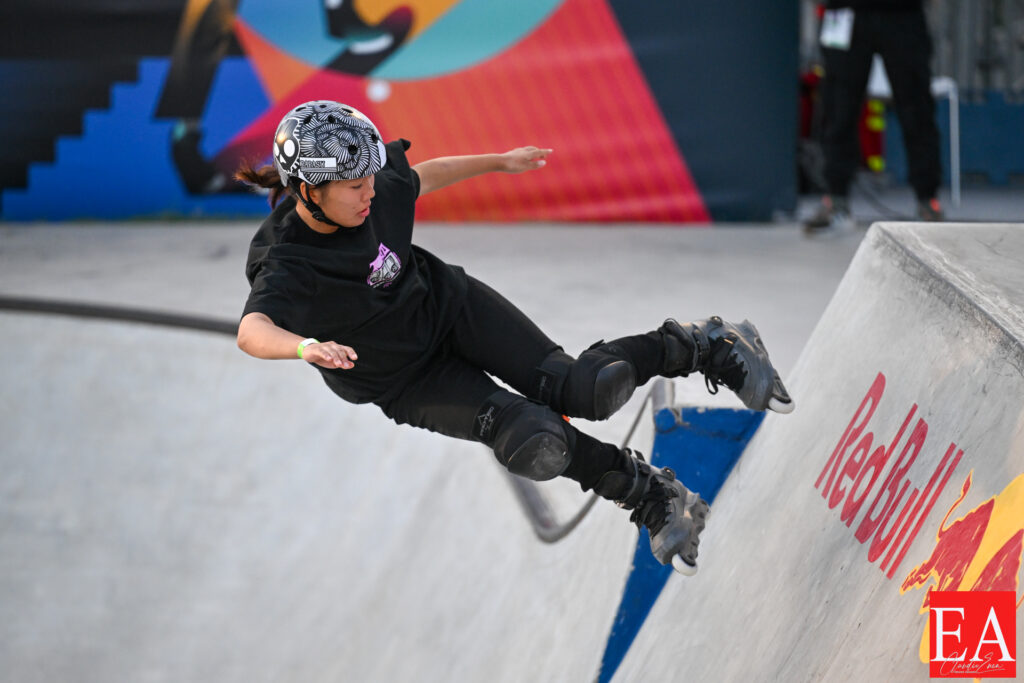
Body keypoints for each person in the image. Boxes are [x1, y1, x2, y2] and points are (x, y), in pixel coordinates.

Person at [235, 100, 794, 574]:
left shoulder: (372, 186)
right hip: (406, 381)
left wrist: (500, 163)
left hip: (452, 309)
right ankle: (652, 493)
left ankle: (707, 345)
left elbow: (424, 174)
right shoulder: (287, 261)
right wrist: (303, 347)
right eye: (355, 188)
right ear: (309, 190)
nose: (369, 197)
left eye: (369, 184)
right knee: (534, 441)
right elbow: (252, 331)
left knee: (589, 388)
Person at [804, 0, 944, 236]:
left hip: (903, 14)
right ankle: (835, 200)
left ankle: (927, 200)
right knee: (838, 109)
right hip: (844, 11)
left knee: (916, 108)